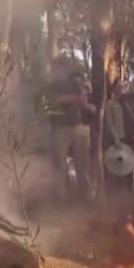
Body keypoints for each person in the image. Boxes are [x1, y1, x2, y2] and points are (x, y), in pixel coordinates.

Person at [47, 56, 93, 198]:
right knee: (59, 164)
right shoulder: (51, 84)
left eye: (66, 65)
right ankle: (61, 197)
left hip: (78, 126)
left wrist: (88, 106)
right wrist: (73, 99)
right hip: (60, 127)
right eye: (61, 65)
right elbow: (51, 101)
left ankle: (85, 195)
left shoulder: (75, 83)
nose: (64, 68)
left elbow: (83, 101)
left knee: (83, 163)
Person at [103, 89, 134, 193]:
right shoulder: (111, 104)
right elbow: (109, 122)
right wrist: (115, 138)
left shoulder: (128, 107)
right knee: (117, 168)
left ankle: (128, 194)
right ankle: (116, 195)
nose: (131, 101)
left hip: (130, 140)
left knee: (129, 168)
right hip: (118, 140)